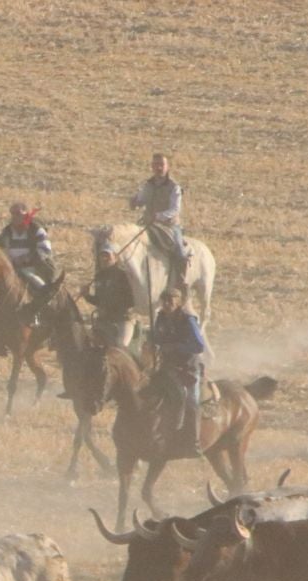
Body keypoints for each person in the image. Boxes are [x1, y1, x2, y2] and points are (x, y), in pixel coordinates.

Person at [147, 287, 209, 454]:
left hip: (188, 368)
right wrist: (152, 341)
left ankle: (193, 442)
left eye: (170, 301)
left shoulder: (188, 320)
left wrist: (174, 347)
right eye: (164, 301)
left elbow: (199, 345)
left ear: (179, 302)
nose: (167, 304)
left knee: (191, 401)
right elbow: (157, 338)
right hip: (167, 366)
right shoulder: (160, 318)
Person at [130, 151, 187, 285]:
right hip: (148, 224)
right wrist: (135, 202)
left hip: (169, 226)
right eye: (156, 164)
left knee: (180, 253)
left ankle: (180, 284)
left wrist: (159, 216)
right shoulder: (147, 185)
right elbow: (142, 200)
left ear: (168, 166)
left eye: (161, 164)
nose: (158, 167)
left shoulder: (174, 187)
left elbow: (175, 209)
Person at [81, 243, 134, 348]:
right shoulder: (99, 276)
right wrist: (87, 296)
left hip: (121, 320)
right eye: (102, 256)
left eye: (107, 256)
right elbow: (98, 300)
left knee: (120, 346)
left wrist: (110, 308)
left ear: (115, 257)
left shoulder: (122, 275)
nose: (104, 259)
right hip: (104, 321)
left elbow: (130, 300)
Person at [1, 202, 56, 290]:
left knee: (41, 287)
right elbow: (1, 250)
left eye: (18, 213)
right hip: (11, 269)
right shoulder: (6, 232)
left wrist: (26, 258)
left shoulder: (36, 230)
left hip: (33, 268)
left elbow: (45, 250)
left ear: (26, 214)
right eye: (13, 213)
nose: (15, 216)